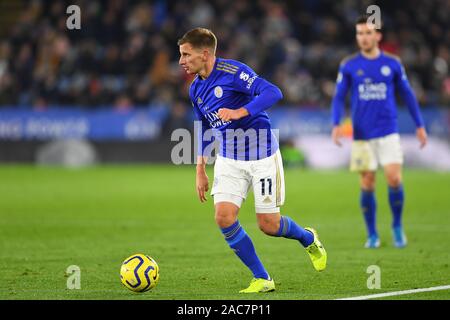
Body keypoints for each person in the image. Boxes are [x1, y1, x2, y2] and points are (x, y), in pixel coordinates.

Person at [178, 27, 327, 293]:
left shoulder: (234, 72)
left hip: (262, 156)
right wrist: (200, 167)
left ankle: (308, 238)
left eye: (186, 55)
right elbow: (203, 126)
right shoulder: (196, 89)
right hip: (229, 157)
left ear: (204, 53)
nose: (181, 61)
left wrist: (240, 111)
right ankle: (262, 277)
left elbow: (273, 92)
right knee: (223, 217)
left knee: (268, 225)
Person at [331, 15, 428, 249]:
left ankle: (396, 226)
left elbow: (408, 95)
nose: (363, 38)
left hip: (388, 130)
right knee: (367, 182)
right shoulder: (349, 65)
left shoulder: (393, 63)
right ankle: (372, 234)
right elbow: (338, 97)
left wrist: (420, 125)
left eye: (367, 33)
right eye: (359, 33)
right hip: (362, 135)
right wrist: (336, 124)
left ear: (378, 36)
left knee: (394, 178)